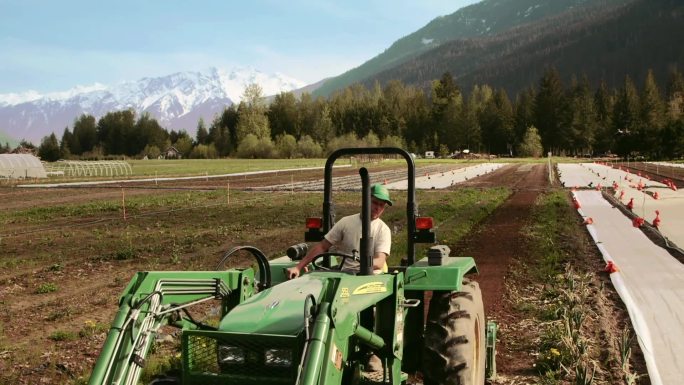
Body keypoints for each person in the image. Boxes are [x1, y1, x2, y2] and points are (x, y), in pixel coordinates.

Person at [286, 183, 392, 279]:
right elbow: (322, 246)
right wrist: (299, 267)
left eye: (381, 205)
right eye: (375, 203)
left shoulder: (383, 230)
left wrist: (359, 265)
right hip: (345, 275)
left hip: (370, 278)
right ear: (366, 200)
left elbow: (379, 261)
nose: (378, 208)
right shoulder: (346, 222)